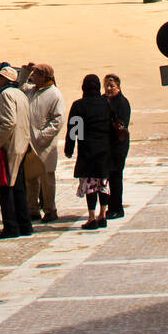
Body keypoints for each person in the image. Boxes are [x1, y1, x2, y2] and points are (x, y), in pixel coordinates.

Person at [0, 64, 33, 239]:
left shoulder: (6, 95)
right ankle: (25, 225)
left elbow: (9, 123)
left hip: (9, 147)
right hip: (21, 145)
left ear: (6, 80)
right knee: (19, 187)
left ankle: (11, 227)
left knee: (6, 189)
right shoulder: (20, 94)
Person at [65, 74, 112, 229]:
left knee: (91, 185)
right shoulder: (106, 103)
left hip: (87, 150)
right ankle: (103, 214)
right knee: (103, 183)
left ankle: (92, 217)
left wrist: (69, 149)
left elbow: (74, 130)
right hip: (105, 149)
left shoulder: (79, 106)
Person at [23, 64, 65, 223]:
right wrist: (26, 71)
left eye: (36, 74)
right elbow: (21, 87)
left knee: (47, 180)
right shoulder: (32, 90)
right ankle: (32, 209)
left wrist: (42, 136)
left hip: (45, 145)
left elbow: (58, 120)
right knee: (30, 179)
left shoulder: (54, 94)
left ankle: (50, 209)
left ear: (44, 77)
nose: (33, 77)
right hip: (29, 144)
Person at [104, 72, 131, 219]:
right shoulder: (103, 100)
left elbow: (122, 124)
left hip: (118, 146)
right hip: (107, 145)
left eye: (111, 86)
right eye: (107, 85)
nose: (108, 88)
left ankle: (117, 208)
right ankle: (111, 206)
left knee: (116, 177)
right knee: (108, 177)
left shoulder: (122, 102)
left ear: (118, 87)